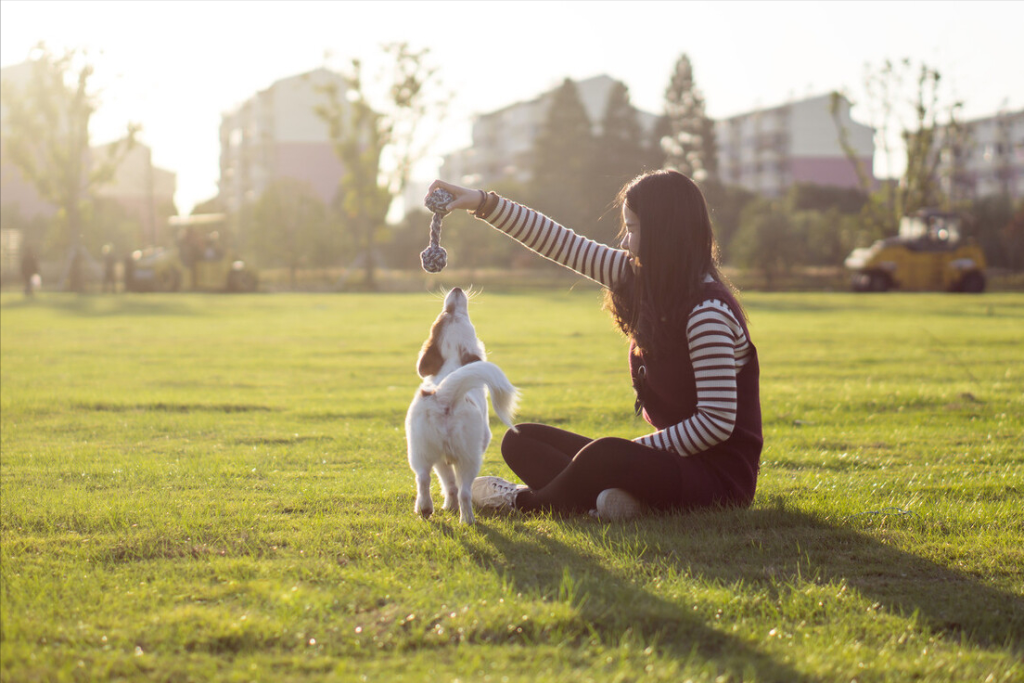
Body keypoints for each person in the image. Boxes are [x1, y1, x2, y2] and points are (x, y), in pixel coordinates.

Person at [425, 170, 762, 521]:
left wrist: (629, 453)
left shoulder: (708, 313)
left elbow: (715, 422)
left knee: (605, 456)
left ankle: (525, 502)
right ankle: (620, 501)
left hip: (717, 481)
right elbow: (561, 243)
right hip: (668, 465)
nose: (624, 242)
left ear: (664, 233)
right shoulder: (639, 278)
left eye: (632, 228)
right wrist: (481, 202)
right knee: (520, 439)